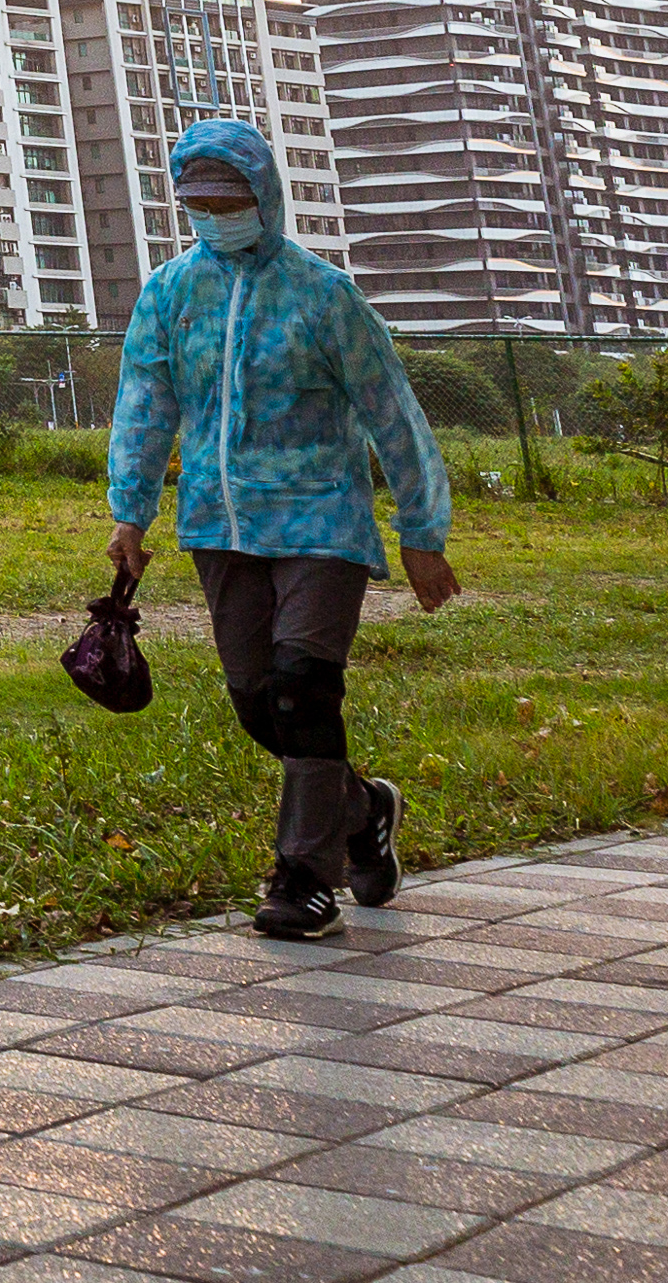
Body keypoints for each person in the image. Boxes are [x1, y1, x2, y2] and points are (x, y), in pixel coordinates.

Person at [106, 115, 461, 939]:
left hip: (318, 523)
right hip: (218, 526)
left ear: (263, 195)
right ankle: (363, 810)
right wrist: (129, 511)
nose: (213, 212)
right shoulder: (169, 292)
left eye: (228, 198)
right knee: (256, 702)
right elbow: (143, 405)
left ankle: (304, 877)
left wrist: (421, 529)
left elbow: (391, 415)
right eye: (195, 201)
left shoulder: (322, 294)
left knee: (304, 689)